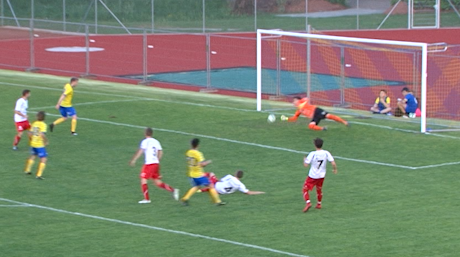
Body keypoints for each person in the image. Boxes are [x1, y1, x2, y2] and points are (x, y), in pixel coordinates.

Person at [129, 127, 179, 204]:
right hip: (155, 163)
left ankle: (146, 199)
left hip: (149, 164)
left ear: (145, 133)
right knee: (157, 182)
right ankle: (173, 190)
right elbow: (160, 152)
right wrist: (157, 160)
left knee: (143, 179)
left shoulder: (145, 142)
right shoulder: (156, 141)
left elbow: (141, 151)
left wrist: (134, 160)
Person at [181, 138, 226, 206]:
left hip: (191, 173)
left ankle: (185, 198)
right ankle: (218, 202)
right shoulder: (198, 154)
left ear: (191, 144)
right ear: (198, 145)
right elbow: (202, 165)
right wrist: (208, 162)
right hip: (198, 175)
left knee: (196, 186)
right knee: (211, 186)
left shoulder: (188, 152)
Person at [302, 138, 337, 212]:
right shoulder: (326, 153)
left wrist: (304, 160)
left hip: (313, 176)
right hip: (321, 176)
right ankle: (319, 204)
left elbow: (306, 165)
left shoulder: (313, 154)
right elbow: (333, 163)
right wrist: (334, 169)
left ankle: (308, 203)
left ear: (315, 145)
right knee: (319, 189)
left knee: (305, 189)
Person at [280, 96, 348, 131]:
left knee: (329, 116)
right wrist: (286, 118)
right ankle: (323, 128)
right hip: (314, 117)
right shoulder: (298, 110)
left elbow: (306, 99)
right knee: (311, 126)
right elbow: (294, 118)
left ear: (298, 100)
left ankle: (344, 122)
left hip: (317, 111)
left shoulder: (302, 101)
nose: (293, 102)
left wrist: (299, 103)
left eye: (294, 100)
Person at [24, 111, 48, 179]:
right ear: (44, 118)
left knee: (33, 155)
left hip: (33, 143)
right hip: (39, 145)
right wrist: (46, 141)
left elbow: (29, 133)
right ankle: (39, 175)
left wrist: (31, 140)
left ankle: (27, 170)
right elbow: (42, 134)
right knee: (43, 159)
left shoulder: (34, 123)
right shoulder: (43, 125)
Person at [200, 170, 265, 195]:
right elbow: (248, 192)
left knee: (211, 174)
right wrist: (260, 192)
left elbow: (220, 180)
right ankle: (205, 189)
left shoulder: (230, 177)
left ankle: (198, 175)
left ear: (235, 173)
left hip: (216, 187)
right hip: (221, 193)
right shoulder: (240, 185)